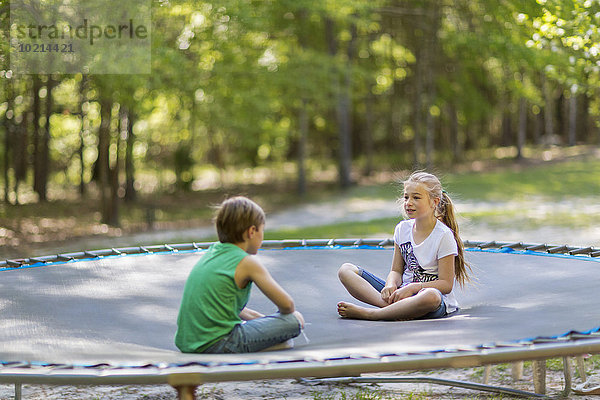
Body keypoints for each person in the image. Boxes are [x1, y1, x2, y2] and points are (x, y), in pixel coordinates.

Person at [175, 196, 304, 353]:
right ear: (252, 231)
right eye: (262, 230)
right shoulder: (246, 262)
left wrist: (266, 324)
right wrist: (279, 323)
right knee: (295, 319)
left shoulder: (212, 253)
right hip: (220, 344)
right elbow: (288, 306)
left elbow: (238, 310)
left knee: (264, 324)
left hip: (189, 345)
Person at [337, 171, 470, 321]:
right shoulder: (402, 229)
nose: (409, 202)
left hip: (430, 301)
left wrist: (414, 287)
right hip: (401, 294)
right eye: (406, 197)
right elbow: (396, 270)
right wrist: (390, 284)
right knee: (345, 270)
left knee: (431, 295)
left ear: (435, 202)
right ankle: (395, 310)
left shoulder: (443, 235)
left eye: (416, 198)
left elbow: (446, 284)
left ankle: (373, 314)